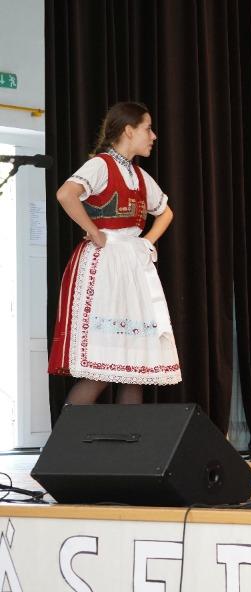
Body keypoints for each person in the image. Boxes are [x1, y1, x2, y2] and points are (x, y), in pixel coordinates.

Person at [49, 101, 181, 403]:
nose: (153, 136)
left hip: (132, 267)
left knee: (134, 369)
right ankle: (68, 434)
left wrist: (146, 242)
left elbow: (165, 212)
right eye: (148, 128)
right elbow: (66, 194)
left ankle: (128, 436)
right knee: (100, 370)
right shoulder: (101, 165)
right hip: (105, 266)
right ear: (128, 130)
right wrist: (94, 231)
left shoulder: (138, 175)